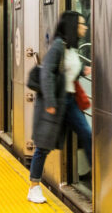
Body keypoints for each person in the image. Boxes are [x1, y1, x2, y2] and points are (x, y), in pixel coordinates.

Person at [28, 11, 91, 203]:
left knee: (86, 134)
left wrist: (83, 70)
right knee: (43, 146)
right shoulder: (57, 46)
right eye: (81, 24)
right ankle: (34, 187)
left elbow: (68, 70)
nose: (84, 27)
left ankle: (97, 175)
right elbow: (47, 74)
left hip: (69, 101)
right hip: (54, 102)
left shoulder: (71, 48)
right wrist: (50, 103)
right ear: (72, 26)